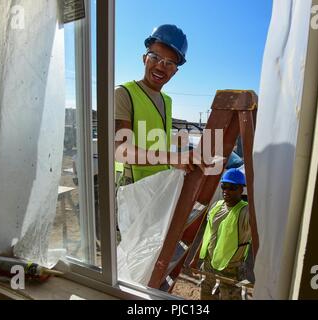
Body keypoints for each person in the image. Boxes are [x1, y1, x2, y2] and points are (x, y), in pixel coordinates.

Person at [114, 24, 196, 186]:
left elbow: (156, 138)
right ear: (144, 58)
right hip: (134, 186)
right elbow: (121, 150)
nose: (160, 66)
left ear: (175, 71)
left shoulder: (167, 100)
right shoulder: (123, 93)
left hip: (160, 184)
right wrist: (173, 158)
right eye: (155, 57)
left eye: (169, 63)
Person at [199, 168, 253, 300]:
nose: (226, 191)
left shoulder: (246, 212)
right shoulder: (216, 206)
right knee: (206, 296)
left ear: (241, 189)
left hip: (232, 269)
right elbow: (208, 234)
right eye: (224, 186)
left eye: (232, 187)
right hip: (209, 264)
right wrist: (196, 258)